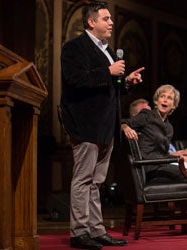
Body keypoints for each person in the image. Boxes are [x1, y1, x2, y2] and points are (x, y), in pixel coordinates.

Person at [59, 1, 145, 249]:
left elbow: (110, 89)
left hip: (106, 126)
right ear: (91, 22)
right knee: (83, 180)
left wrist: (126, 82)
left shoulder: (108, 50)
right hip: (85, 125)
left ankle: (96, 230)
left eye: (110, 19)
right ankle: (79, 232)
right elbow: (75, 79)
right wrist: (109, 71)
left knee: (97, 182)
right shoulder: (74, 48)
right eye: (106, 18)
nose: (111, 23)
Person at [121, 85, 187, 237]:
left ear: (173, 105)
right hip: (148, 167)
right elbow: (123, 121)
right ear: (156, 100)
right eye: (162, 96)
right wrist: (125, 127)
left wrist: (181, 156)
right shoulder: (147, 115)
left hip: (160, 164)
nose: (165, 100)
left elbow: (161, 153)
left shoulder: (169, 127)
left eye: (169, 98)